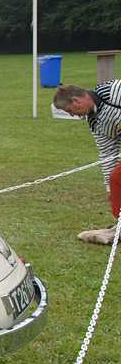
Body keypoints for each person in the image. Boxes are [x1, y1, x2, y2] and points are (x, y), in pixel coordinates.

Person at [55, 82, 121, 244]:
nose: (72, 115)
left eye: (70, 111)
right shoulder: (94, 122)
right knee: (115, 180)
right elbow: (107, 153)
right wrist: (108, 188)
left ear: (76, 101)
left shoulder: (112, 91)